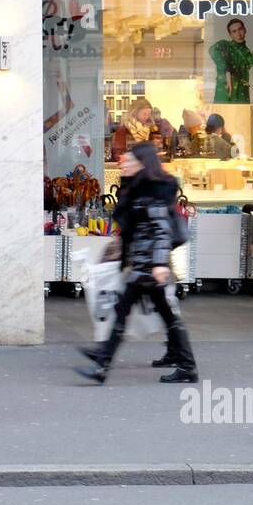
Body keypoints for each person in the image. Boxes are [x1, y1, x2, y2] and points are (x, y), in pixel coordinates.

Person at [75, 142, 197, 384]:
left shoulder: (152, 190)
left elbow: (161, 230)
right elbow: (136, 227)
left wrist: (160, 263)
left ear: (142, 163)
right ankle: (184, 365)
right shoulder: (138, 187)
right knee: (156, 313)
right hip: (144, 262)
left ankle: (103, 364)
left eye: (129, 161)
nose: (124, 164)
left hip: (149, 264)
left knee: (134, 311)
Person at [210, 17, 253, 104]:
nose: (238, 33)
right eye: (234, 31)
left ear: (245, 30)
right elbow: (212, 50)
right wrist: (227, 70)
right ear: (230, 35)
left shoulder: (246, 53)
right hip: (223, 93)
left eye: (240, 29)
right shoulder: (224, 45)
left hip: (241, 95)